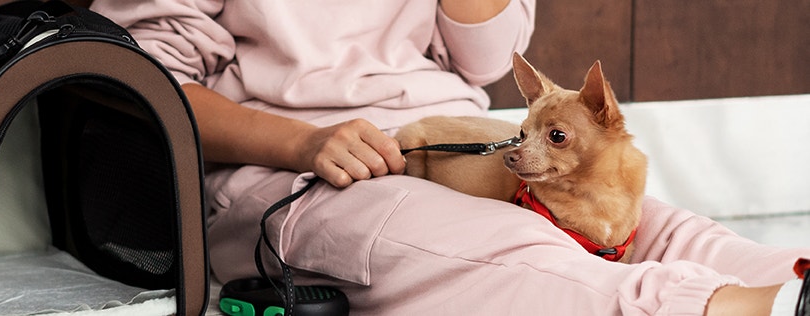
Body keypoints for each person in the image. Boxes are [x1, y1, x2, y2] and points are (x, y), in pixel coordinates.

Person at [88, 0, 810, 314]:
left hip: (461, 136)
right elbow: (141, 79)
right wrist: (306, 142)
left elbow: (487, 58)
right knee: (510, 246)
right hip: (305, 166)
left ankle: (791, 280)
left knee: (650, 228)